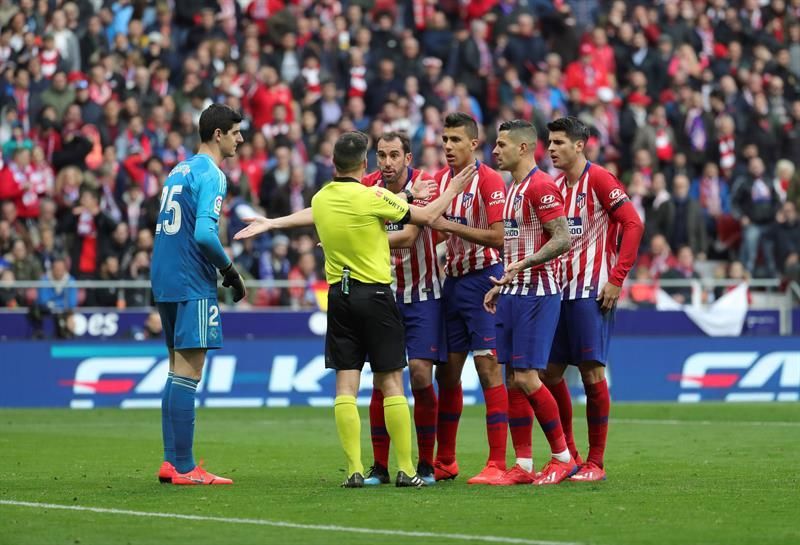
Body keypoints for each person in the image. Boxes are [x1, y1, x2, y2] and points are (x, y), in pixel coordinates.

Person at [235, 131, 475, 488]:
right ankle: (407, 470)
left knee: (346, 386)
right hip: (376, 297)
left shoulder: (323, 198)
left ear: (333, 164)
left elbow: (309, 213)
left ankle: (354, 470)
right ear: (365, 165)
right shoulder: (372, 196)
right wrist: (452, 191)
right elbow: (422, 218)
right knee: (391, 382)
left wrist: (272, 222)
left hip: (339, 298)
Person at [542, 117, 644, 482]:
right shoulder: (553, 187)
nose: (551, 149)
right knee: (550, 373)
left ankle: (595, 463)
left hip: (591, 291)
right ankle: (568, 454)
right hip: (557, 293)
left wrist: (617, 279)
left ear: (580, 145)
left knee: (591, 372)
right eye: (550, 142)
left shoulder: (599, 179)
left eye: (558, 143)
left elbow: (633, 223)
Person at [150, 103, 246, 486]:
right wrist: (230, 271)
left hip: (164, 277)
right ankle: (186, 467)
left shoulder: (179, 169)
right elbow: (205, 234)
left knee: (176, 370)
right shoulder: (213, 174)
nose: (241, 139)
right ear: (218, 134)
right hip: (191, 280)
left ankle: (171, 462)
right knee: (188, 372)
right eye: (236, 132)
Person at [482, 120, 576, 486]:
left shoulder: (540, 186)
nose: (495, 151)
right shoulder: (513, 189)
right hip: (513, 291)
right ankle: (522, 464)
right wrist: (503, 281)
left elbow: (563, 238)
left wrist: (526, 263)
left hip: (539, 292)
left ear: (523, 148)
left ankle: (563, 457)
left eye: (502, 144)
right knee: (512, 379)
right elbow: (516, 244)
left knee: (527, 377)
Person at [428, 112, 508, 484]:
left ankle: (497, 462)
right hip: (453, 283)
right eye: (444, 139)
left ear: (473, 144)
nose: (447, 146)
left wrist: (448, 226)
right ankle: (446, 460)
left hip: (484, 282)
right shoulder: (441, 181)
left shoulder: (490, 180)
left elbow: (498, 237)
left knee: (489, 368)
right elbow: (435, 231)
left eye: (455, 140)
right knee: (447, 373)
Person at [360, 132, 443, 486]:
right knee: (382, 381)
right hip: (382, 296)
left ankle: (426, 463)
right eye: (381, 155)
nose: (388, 162)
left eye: (395, 155)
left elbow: (410, 236)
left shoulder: (428, 185)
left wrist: (364, 233)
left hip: (423, 294)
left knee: (422, 376)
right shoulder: (366, 188)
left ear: (408, 158)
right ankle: (379, 466)